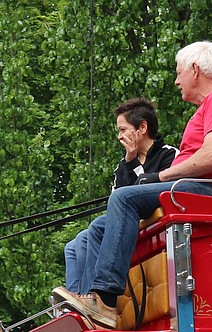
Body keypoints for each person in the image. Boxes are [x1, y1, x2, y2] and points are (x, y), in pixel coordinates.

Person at [55, 41, 212, 328]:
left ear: (196, 70)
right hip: (202, 189)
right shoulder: (211, 105)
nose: (176, 81)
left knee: (123, 199)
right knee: (98, 228)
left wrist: (160, 176)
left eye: (179, 73)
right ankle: (88, 304)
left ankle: (106, 301)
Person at [63, 98, 179, 293]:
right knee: (73, 246)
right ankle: (72, 300)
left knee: (93, 230)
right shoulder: (122, 165)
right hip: (128, 223)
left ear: (142, 127)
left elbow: (151, 192)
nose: (119, 136)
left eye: (122, 130)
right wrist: (129, 162)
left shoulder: (169, 155)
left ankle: (91, 296)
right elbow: (115, 202)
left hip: (150, 224)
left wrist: (133, 163)